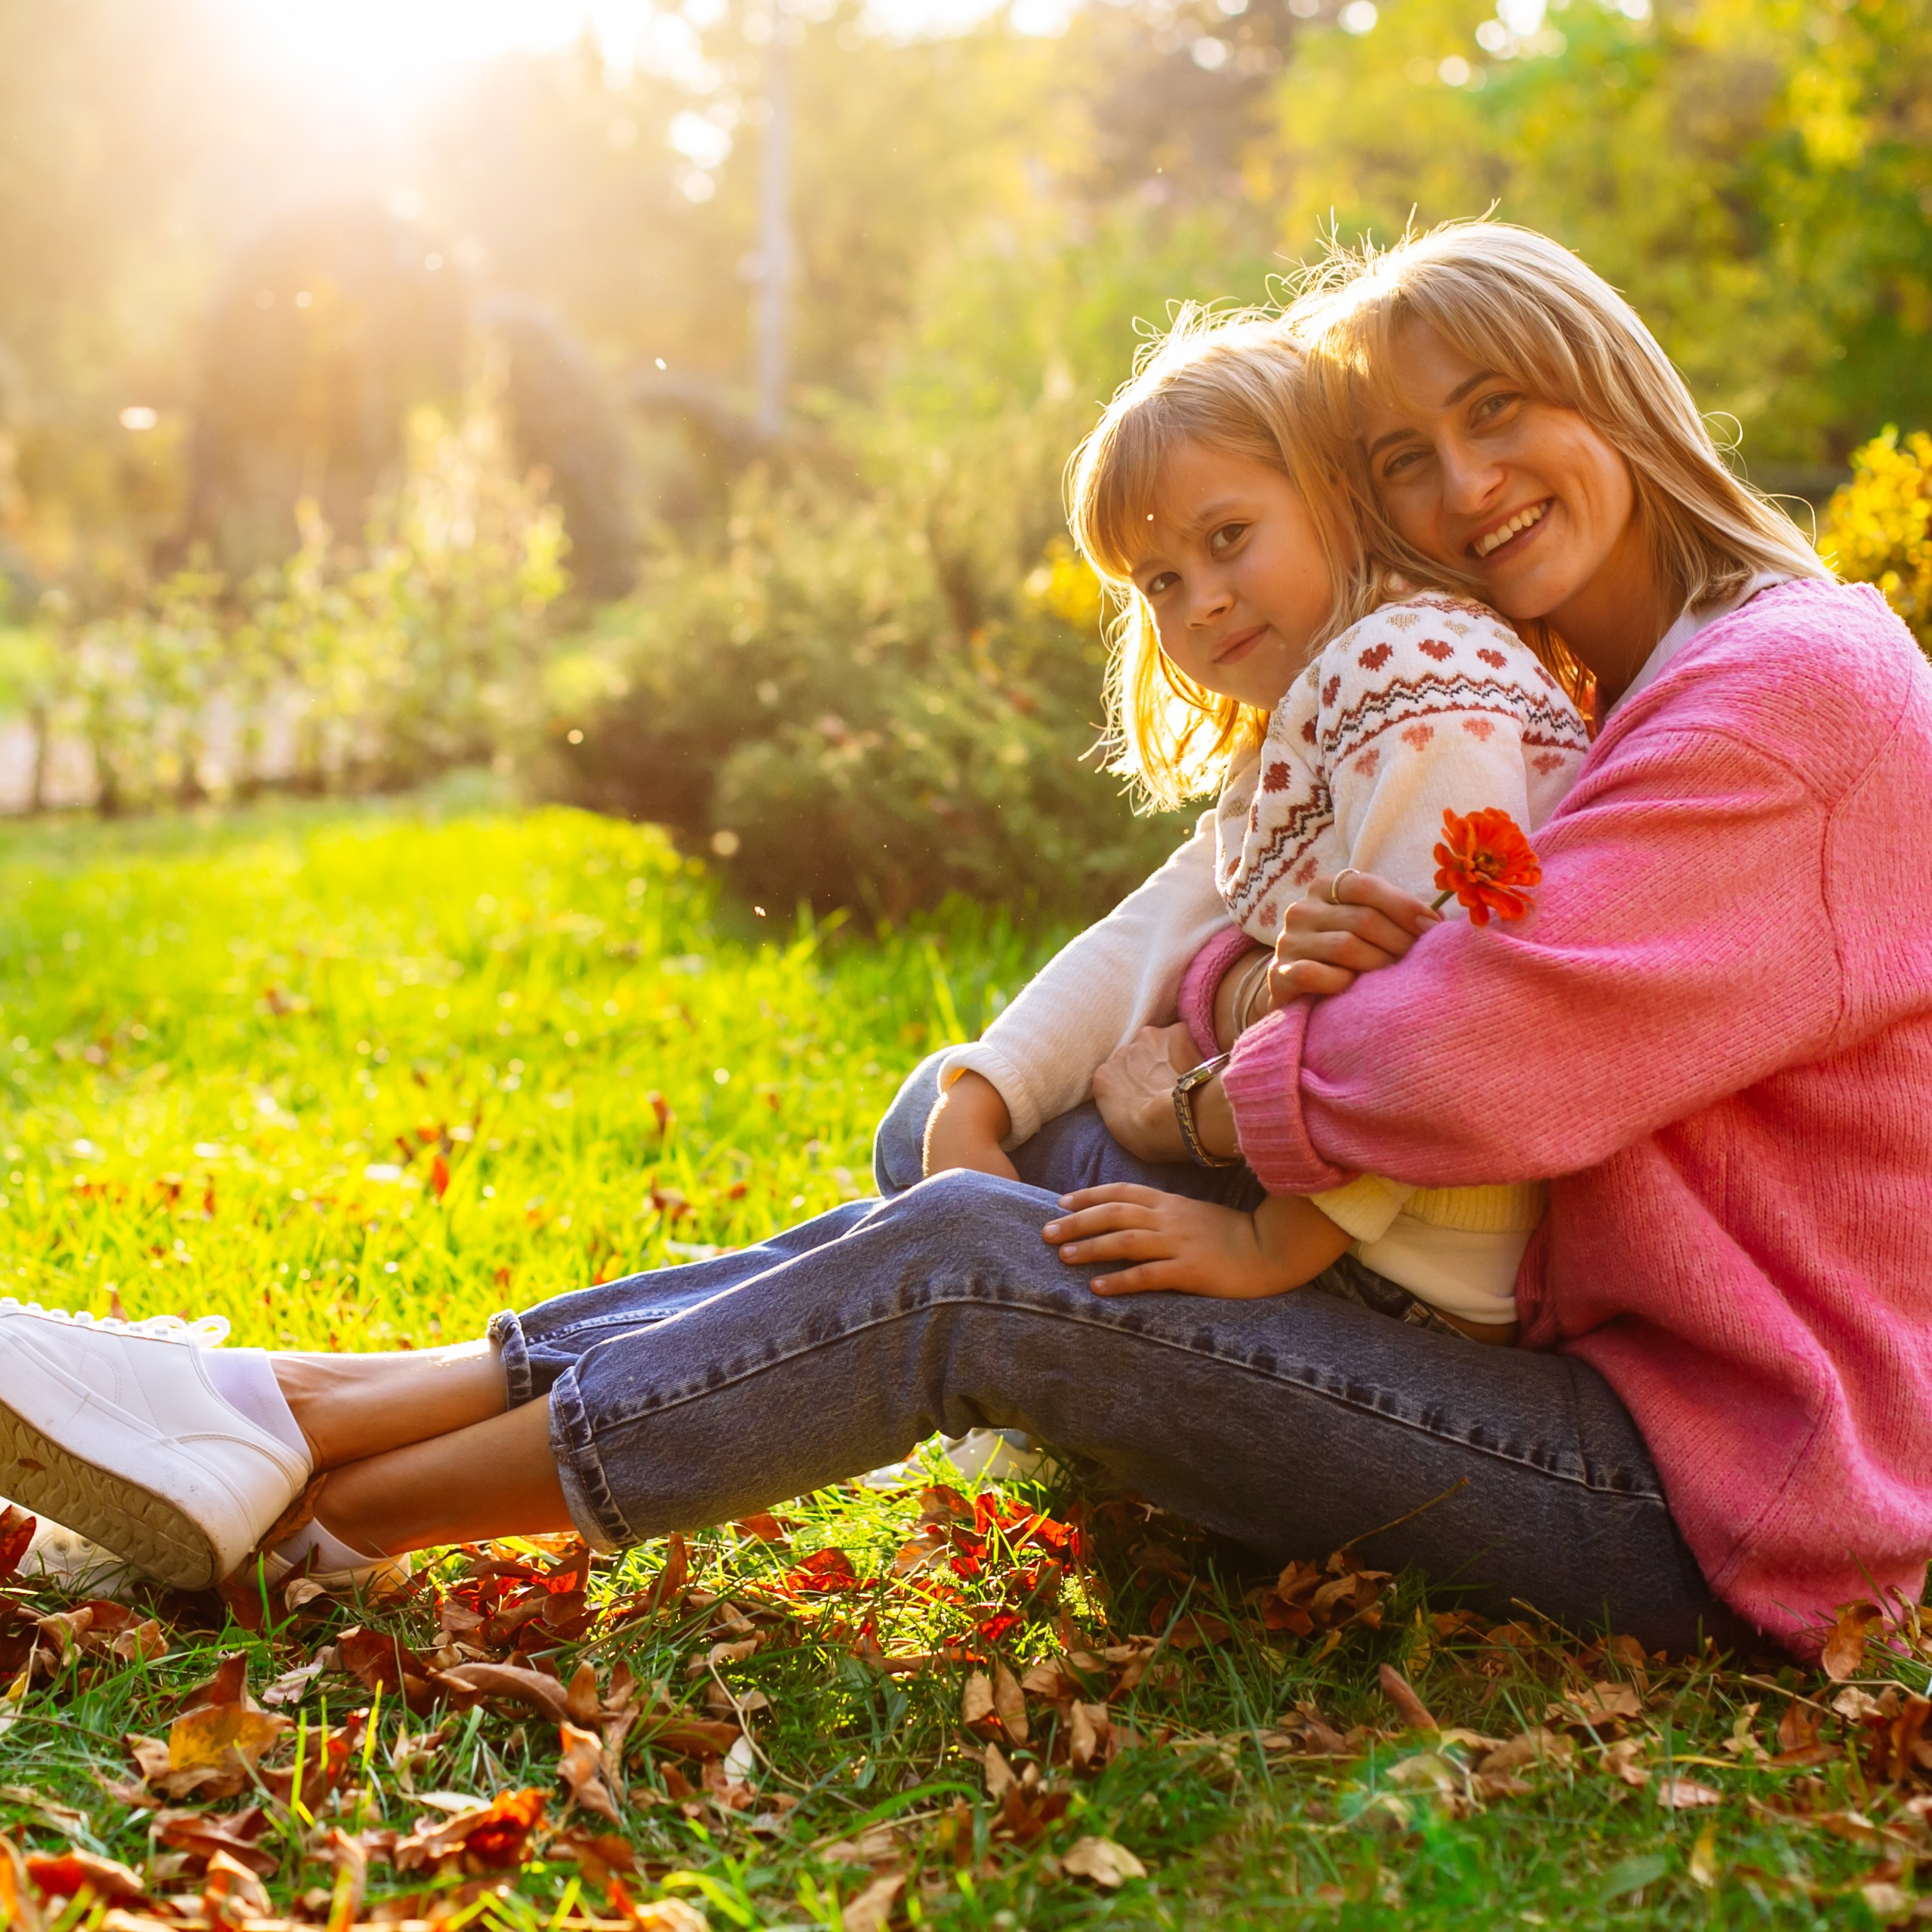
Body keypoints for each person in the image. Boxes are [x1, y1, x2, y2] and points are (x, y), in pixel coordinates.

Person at [0, 221, 1911, 1659]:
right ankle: (274, 1413)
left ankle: (313, 1505)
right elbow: (1257, 941)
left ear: (1621, 386)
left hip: (1701, 1482)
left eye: (1496, 412)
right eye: (1404, 455)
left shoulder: (1786, 696)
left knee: (969, 1263)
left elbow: (1450, 1065)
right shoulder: (1610, 673)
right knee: (953, 1138)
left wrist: (1186, 1065)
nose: (1457, 487)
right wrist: (1128, 1043)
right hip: (1522, 1322)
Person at [931, 304, 1590, 1336]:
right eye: (1161, 582)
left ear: (1333, 491)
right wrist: (982, 1097)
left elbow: (1434, 1014)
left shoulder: (1408, 672)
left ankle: (1009, 1354)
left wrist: (1266, 1245)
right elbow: (1155, 926)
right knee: (951, 1117)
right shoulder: (1334, 691)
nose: (1200, 603)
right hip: (1377, 1228)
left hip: (1421, 1261)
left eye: (1228, 538)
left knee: (976, 1179)